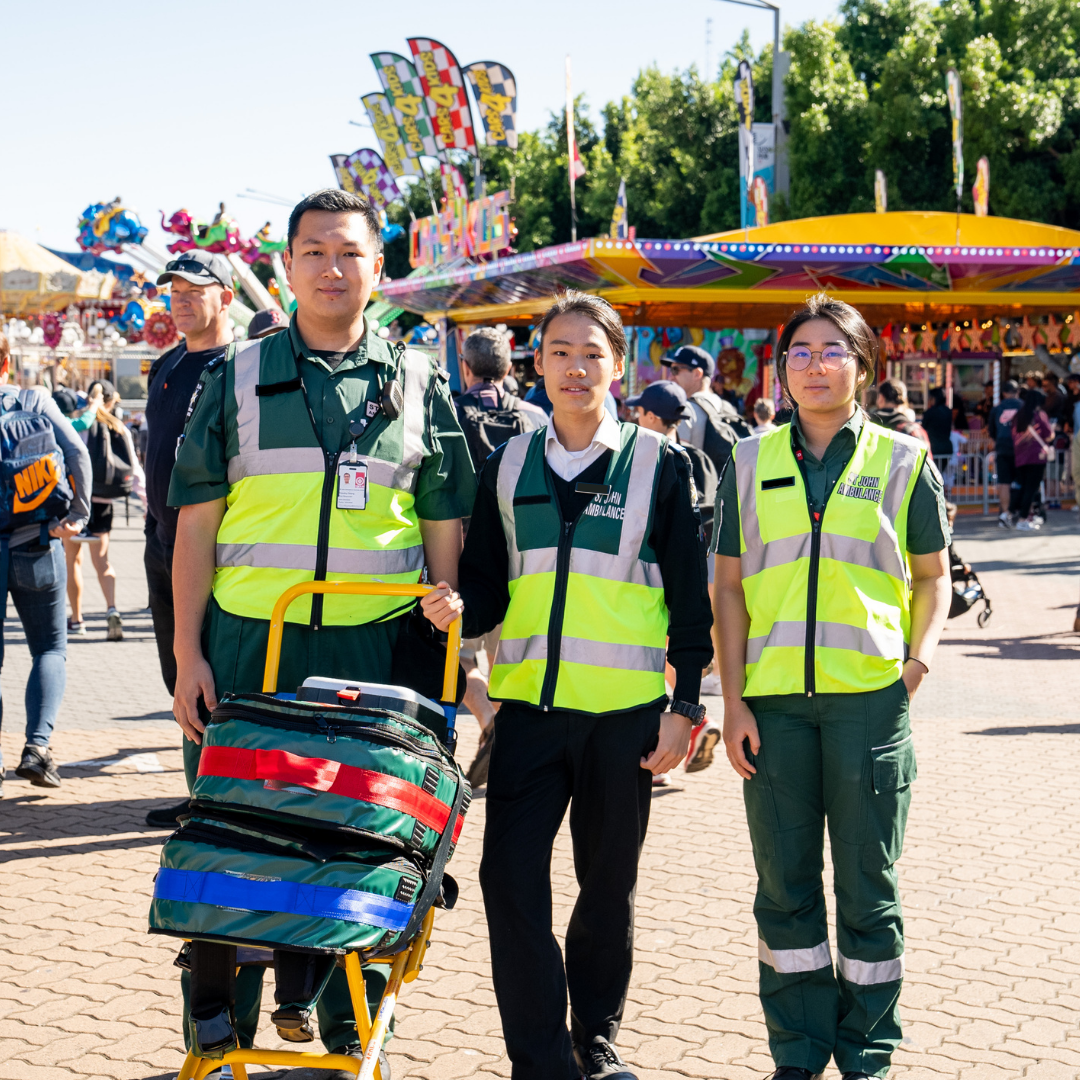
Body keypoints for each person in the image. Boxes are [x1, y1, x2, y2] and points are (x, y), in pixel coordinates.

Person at [166, 188, 475, 1070]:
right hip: (248, 643)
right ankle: (216, 1013)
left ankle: (346, 1018)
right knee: (231, 827)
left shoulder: (418, 378)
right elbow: (194, 523)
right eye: (313, 252)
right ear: (288, 267)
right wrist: (188, 653)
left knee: (357, 839)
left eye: (349, 252)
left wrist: (448, 614)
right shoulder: (234, 374)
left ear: (379, 269)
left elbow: (444, 514)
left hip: (373, 651)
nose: (332, 268)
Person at [422, 290, 712, 1080]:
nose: (575, 367)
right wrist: (460, 604)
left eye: (592, 353)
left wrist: (685, 708)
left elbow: (692, 606)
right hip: (527, 719)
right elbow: (488, 581)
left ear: (618, 366)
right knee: (506, 879)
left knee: (606, 889)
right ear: (536, 363)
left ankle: (597, 1037)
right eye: (559, 352)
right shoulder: (508, 463)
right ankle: (543, 1059)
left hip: (624, 719)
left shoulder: (661, 465)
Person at [711, 293, 952, 1080]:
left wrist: (916, 663)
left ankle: (868, 1054)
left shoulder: (903, 459)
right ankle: (798, 1051)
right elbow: (730, 591)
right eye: (801, 353)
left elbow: (932, 577)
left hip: (869, 707)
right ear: (782, 370)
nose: (816, 366)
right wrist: (736, 700)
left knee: (867, 887)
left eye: (832, 351)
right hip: (773, 711)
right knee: (784, 890)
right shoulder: (747, 461)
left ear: (862, 364)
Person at [141, 251, 235, 829]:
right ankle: (199, 789)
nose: (180, 300)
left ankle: (221, 797)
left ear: (226, 297)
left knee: (214, 672)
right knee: (177, 670)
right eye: (173, 291)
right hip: (160, 541)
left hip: (215, 547)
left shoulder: (244, 369)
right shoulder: (166, 365)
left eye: (194, 290)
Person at [0, 331, 92, 795]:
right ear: (7, 361)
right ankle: (37, 748)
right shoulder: (33, 402)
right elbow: (77, 453)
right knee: (49, 648)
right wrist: (78, 513)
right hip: (37, 541)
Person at [453, 327, 545, 787]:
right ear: (510, 369)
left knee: (458, 656)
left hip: (463, 559)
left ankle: (489, 721)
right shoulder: (534, 417)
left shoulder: (449, 412)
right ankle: (506, 736)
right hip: (522, 560)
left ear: (465, 368)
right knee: (511, 660)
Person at [627, 378, 722, 776]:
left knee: (657, 657)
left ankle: (692, 723)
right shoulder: (699, 458)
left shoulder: (651, 460)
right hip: (700, 575)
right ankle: (697, 720)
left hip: (658, 579)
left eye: (638, 412)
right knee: (676, 660)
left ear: (650, 416)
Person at [64, 381, 142, 642]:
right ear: (111, 401)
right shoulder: (119, 428)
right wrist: (147, 501)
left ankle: (77, 620)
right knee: (103, 562)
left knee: (73, 561)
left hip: (76, 504)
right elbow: (135, 469)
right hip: (104, 504)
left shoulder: (79, 427)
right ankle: (111, 609)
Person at [663, 344, 751, 458]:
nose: (671, 377)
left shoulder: (685, 409)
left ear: (697, 374)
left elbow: (675, 461)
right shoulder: (726, 406)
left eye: (675, 370)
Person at [1011, 387, 1054, 531]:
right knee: (1031, 489)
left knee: (1024, 488)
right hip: (1037, 457)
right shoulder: (1039, 415)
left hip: (1020, 457)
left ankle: (1018, 515)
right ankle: (1023, 519)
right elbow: (1049, 434)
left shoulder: (1019, 415)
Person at [988, 379, 1023, 527]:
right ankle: (1021, 512)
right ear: (1018, 392)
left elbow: (992, 432)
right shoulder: (1024, 407)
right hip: (1021, 448)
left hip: (1002, 448)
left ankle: (1004, 513)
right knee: (1022, 482)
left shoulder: (997, 409)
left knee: (1004, 483)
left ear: (1003, 393)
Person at [868, 377, 929, 447]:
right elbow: (925, 456)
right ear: (904, 399)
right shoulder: (913, 430)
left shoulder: (867, 427)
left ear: (881, 398)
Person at [921, 386, 953, 460]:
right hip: (947, 448)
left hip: (933, 449)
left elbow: (923, 428)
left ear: (934, 398)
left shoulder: (929, 412)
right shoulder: (948, 411)